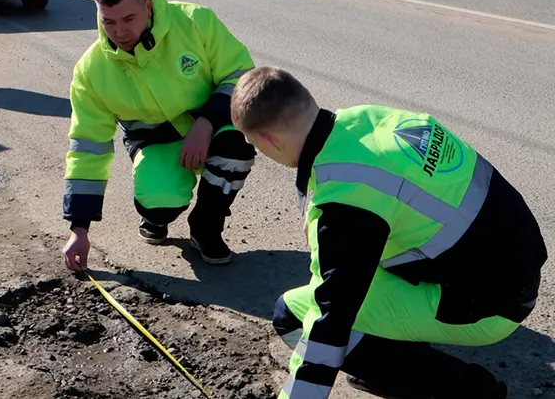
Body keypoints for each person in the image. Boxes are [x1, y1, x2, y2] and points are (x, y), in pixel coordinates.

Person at [228, 66, 547, 399]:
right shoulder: (363, 120)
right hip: (512, 270)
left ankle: (465, 389)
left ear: (270, 141)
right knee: (351, 277)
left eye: (254, 144)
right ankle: (387, 365)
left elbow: (330, 319)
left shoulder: (344, 198)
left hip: (491, 307)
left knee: (293, 314)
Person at [61, 0, 257, 270]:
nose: (119, 32)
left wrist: (206, 123)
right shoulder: (91, 71)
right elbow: (88, 147)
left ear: (148, 5)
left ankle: (206, 227)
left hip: (212, 124)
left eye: (129, 19)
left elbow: (241, 74)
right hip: (154, 140)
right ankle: (154, 216)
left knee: (237, 147)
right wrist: (79, 229)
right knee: (160, 202)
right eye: (108, 22)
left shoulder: (195, 22)